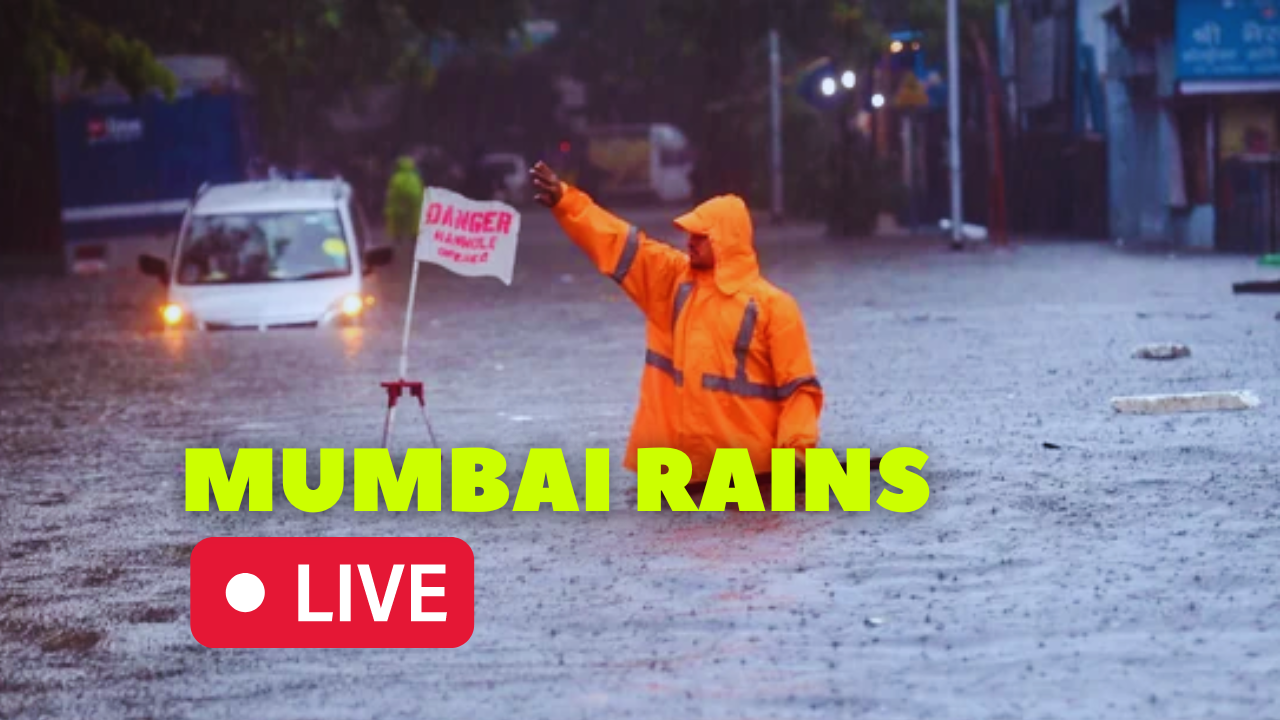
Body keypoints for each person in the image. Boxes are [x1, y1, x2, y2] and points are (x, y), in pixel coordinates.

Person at [529, 160, 824, 503]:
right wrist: (566, 202)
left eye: (702, 236)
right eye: (691, 234)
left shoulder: (775, 307)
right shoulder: (671, 282)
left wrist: (795, 454)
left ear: (726, 241)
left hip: (749, 481)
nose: (691, 241)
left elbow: (800, 389)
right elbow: (618, 243)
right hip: (673, 480)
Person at [384, 156, 424, 246]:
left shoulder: (396, 178)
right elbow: (419, 192)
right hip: (414, 206)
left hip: (399, 206)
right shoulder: (415, 177)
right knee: (414, 223)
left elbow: (392, 193)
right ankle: (414, 239)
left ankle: (398, 239)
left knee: (397, 223)